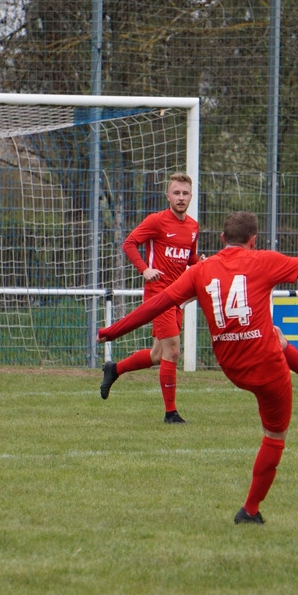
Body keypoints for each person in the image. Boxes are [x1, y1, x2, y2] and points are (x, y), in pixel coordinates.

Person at [98, 211, 298, 524]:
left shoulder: (200, 271)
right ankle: (250, 510)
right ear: (253, 241)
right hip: (268, 370)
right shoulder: (264, 260)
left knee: (274, 334)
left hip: (231, 365)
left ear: (222, 239)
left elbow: (156, 304)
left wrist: (112, 331)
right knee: (275, 435)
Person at [99, 173, 200, 423]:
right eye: (176, 193)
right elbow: (129, 243)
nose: (181, 197)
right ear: (168, 196)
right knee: (173, 350)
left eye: (185, 193)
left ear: (191, 196)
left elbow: (190, 259)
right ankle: (170, 413)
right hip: (158, 294)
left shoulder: (193, 227)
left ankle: (114, 369)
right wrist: (144, 269)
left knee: (158, 354)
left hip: (177, 297)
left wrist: (202, 265)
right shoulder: (156, 221)